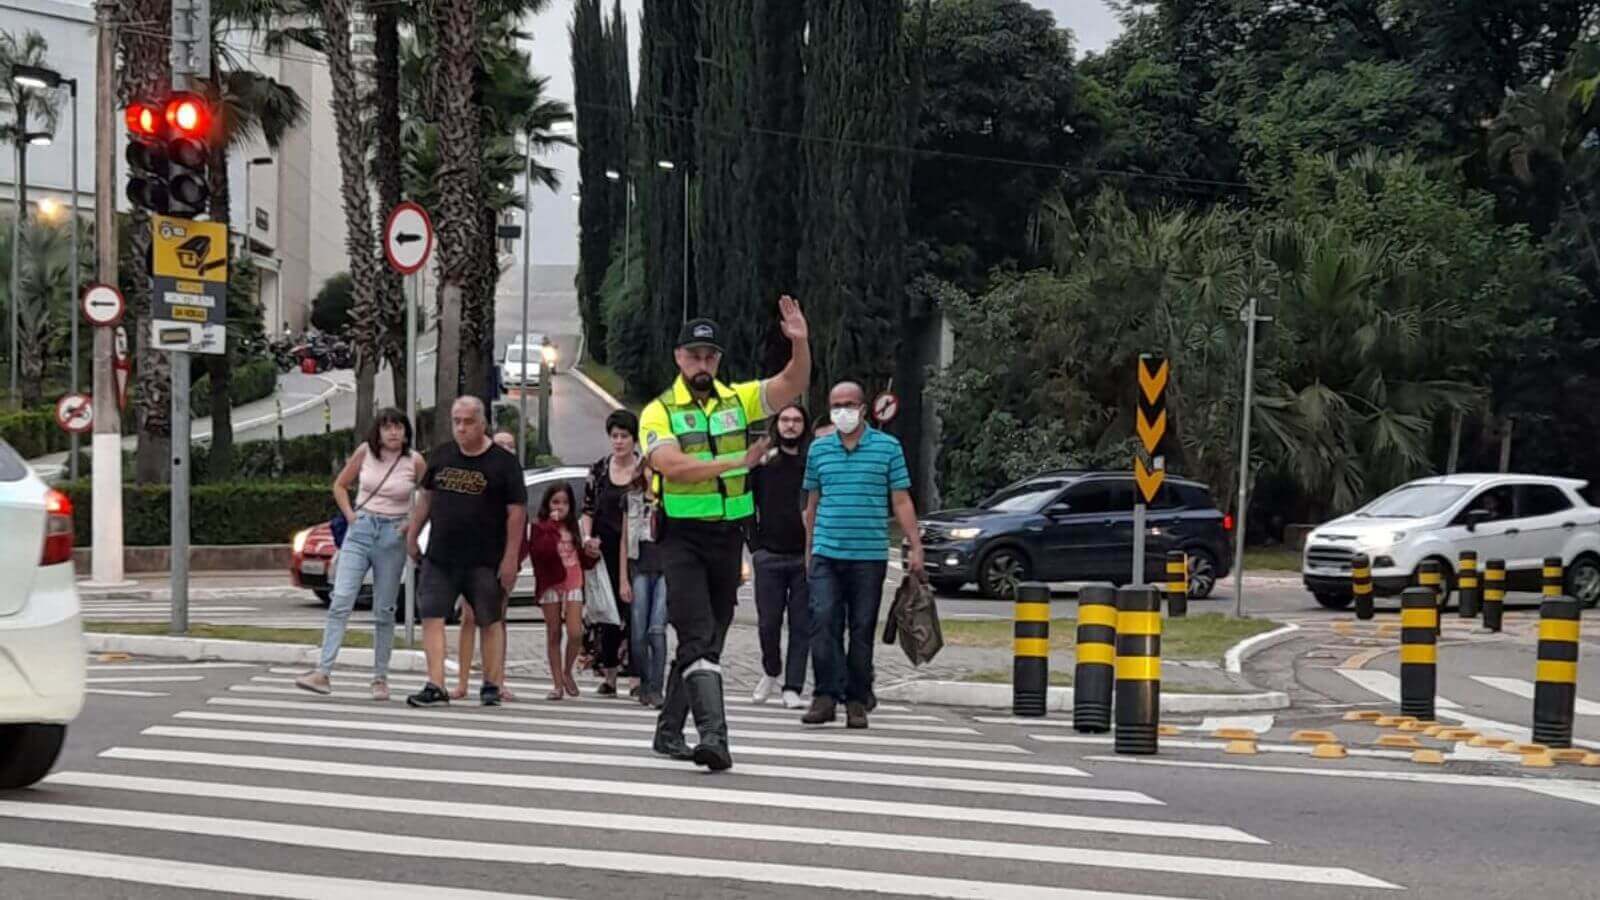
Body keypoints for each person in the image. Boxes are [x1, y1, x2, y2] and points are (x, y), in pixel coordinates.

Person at [641, 296, 810, 771]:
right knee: (696, 635)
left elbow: (792, 384)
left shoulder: (739, 399)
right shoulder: (659, 412)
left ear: (718, 360)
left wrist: (799, 343)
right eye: (694, 356)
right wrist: (738, 461)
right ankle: (715, 738)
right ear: (678, 358)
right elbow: (671, 465)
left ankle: (669, 730)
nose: (702, 363)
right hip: (681, 538)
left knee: (708, 640)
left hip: (727, 538)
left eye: (710, 356)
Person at [801, 381, 924, 730]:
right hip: (826, 551)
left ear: (863, 408)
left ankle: (857, 699)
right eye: (836, 405)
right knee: (823, 622)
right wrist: (808, 550)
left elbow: (901, 499)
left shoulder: (888, 448)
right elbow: (812, 504)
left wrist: (915, 545)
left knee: (861, 629)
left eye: (849, 404)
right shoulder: (819, 450)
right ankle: (825, 695)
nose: (842, 411)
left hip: (868, 555)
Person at [405, 396, 527, 708]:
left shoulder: (503, 463)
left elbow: (516, 513)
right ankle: (436, 684)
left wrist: (511, 557)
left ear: (483, 423)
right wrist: (413, 534)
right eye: (457, 421)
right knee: (432, 614)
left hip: (485, 558)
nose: (462, 428)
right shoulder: (442, 455)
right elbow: (426, 499)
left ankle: (490, 683)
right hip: (441, 556)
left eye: (469, 421)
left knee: (489, 619)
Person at [297, 408, 426, 700]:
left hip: (392, 535)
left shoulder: (414, 461)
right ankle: (323, 671)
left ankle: (380, 678)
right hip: (362, 528)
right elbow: (341, 485)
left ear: (406, 432)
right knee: (341, 598)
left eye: (399, 428)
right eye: (387, 427)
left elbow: (427, 495)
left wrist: (410, 524)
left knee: (384, 609)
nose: (393, 433)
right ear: (378, 431)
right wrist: (351, 516)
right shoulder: (365, 452)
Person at [451, 429, 524, 702]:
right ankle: (462, 682)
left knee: (496, 619)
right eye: (501, 443)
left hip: (503, 556)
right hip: (473, 555)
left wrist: (513, 559)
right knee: (469, 617)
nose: (505, 449)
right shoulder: (479, 476)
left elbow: (520, 522)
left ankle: (496, 680)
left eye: (511, 445)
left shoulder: (516, 481)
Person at [748, 402, 811, 709]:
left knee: (802, 625)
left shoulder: (813, 463)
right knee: (768, 623)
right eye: (785, 419)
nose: (790, 425)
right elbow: (747, 505)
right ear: (777, 424)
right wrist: (754, 546)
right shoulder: (764, 464)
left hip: (805, 558)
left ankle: (793, 686)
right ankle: (770, 670)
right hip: (768, 555)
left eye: (796, 420)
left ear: (804, 426)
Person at [582, 410, 643, 698]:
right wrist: (587, 537)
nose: (619, 442)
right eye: (614, 436)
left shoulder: (644, 470)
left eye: (624, 436)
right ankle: (608, 675)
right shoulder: (599, 470)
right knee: (606, 613)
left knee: (636, 614)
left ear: (634, 438)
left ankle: (636, 676)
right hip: (604, 549)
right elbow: (588, 509)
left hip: (636, 549)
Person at [529, 482, 601, 700]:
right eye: (555, 502)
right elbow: (539, 553)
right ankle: (557, 683)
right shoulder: (540, 528)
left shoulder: (575, 528)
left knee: (575, 632)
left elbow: (585, 560)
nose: (560, 507)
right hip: (550, 582)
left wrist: (592, 553)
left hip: (573, 578)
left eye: (565, 503)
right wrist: (551, 525)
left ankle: (568, 670)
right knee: (553, 633)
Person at [619, 459, 668, 707]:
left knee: (656, 629)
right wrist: (622, 578)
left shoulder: (672, 498)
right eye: (651, 468)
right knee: (638, 632)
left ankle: (657, 687)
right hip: (638, 567)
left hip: (665, 570)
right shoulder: (632, 498)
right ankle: (645, 683)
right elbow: (624, 540)